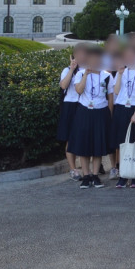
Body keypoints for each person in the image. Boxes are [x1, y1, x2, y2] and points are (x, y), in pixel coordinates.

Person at [70, 47, 113, 189]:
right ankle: (86, 175)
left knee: (97, 145)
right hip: (84, 111)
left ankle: (95, 175)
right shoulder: (80, 73)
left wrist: (109, 115)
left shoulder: (107, 76)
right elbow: (79, 90)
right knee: (84, 145)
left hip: (101, 112)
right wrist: (86, 75)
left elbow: (110, 98)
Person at [111, 46, 135, 188]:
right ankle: (123, 174)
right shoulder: (122, 72)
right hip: (121, 109)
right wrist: (119, 74)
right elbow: (116, 91)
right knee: (122, 143)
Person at [57, 45, 83, 181]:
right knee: (70, 138)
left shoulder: (88, 71)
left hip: (83, 106)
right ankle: (73, 169)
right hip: (70, 105)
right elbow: (63, 86)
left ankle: (87, 169)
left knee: (84, 137)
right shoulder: (67, 70)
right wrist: (72, 69)